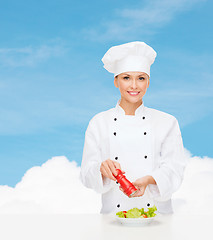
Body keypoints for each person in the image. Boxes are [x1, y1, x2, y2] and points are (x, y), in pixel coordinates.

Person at [80, 41, 187, 214]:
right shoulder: (99, 122)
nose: (134, 86)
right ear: (116, 81)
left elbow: (175, 169)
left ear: (148, 82)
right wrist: (101, 170)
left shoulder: (167, 122)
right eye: (126, 78)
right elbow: (86, 174)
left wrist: (150, 180)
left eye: (141, 78)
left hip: (158, 218)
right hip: (112, 219)